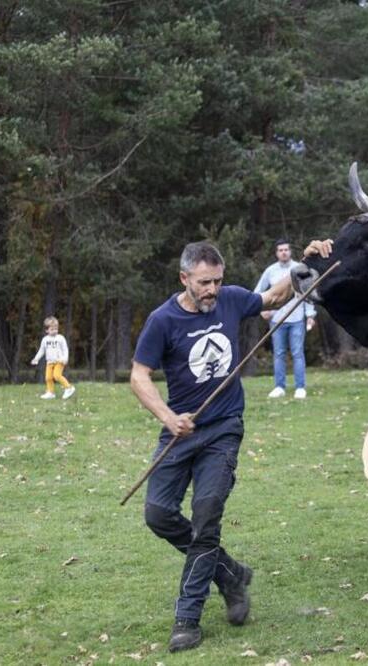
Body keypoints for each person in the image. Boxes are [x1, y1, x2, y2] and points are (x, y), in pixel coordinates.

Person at [130, 241, 297, 652]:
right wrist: (169, 418)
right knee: (157, 514)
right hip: (179, 432)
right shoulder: (162, 320)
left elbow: (276, 295)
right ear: (184, 278)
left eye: (217, 281)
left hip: (223, 429)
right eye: (204, 283)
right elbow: (139, 376)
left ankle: (187, 617)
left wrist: (307, 261)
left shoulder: (232, 300)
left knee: (206, 518)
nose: (212, 291)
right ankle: (230, 574)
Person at [254, 239, 317, 399]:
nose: (283, 252)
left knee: (297, 353)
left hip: (296, 319)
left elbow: (308, 293)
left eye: (286, 249)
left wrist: (310, 315)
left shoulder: (299, 269)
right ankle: (279, 387)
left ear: (290, 251)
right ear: (276, 253)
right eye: (280, 250)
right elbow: (258, 292)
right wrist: (261, 309)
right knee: (279, 354)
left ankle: (300, 387)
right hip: (277, 320)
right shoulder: (270, 271)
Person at [30, 316, 75, 400]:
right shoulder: (45, 340)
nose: (54, 331)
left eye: (56, 328)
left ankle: (69, 388)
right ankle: (50, 392)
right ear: (47, 330)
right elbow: (41, 350)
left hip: (59, 361)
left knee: (57, 376)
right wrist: (36, 358)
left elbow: (65, 349)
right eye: (52, 329)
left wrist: (65, 358)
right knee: (48, 378)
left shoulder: (60, 338)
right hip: (50, 362)